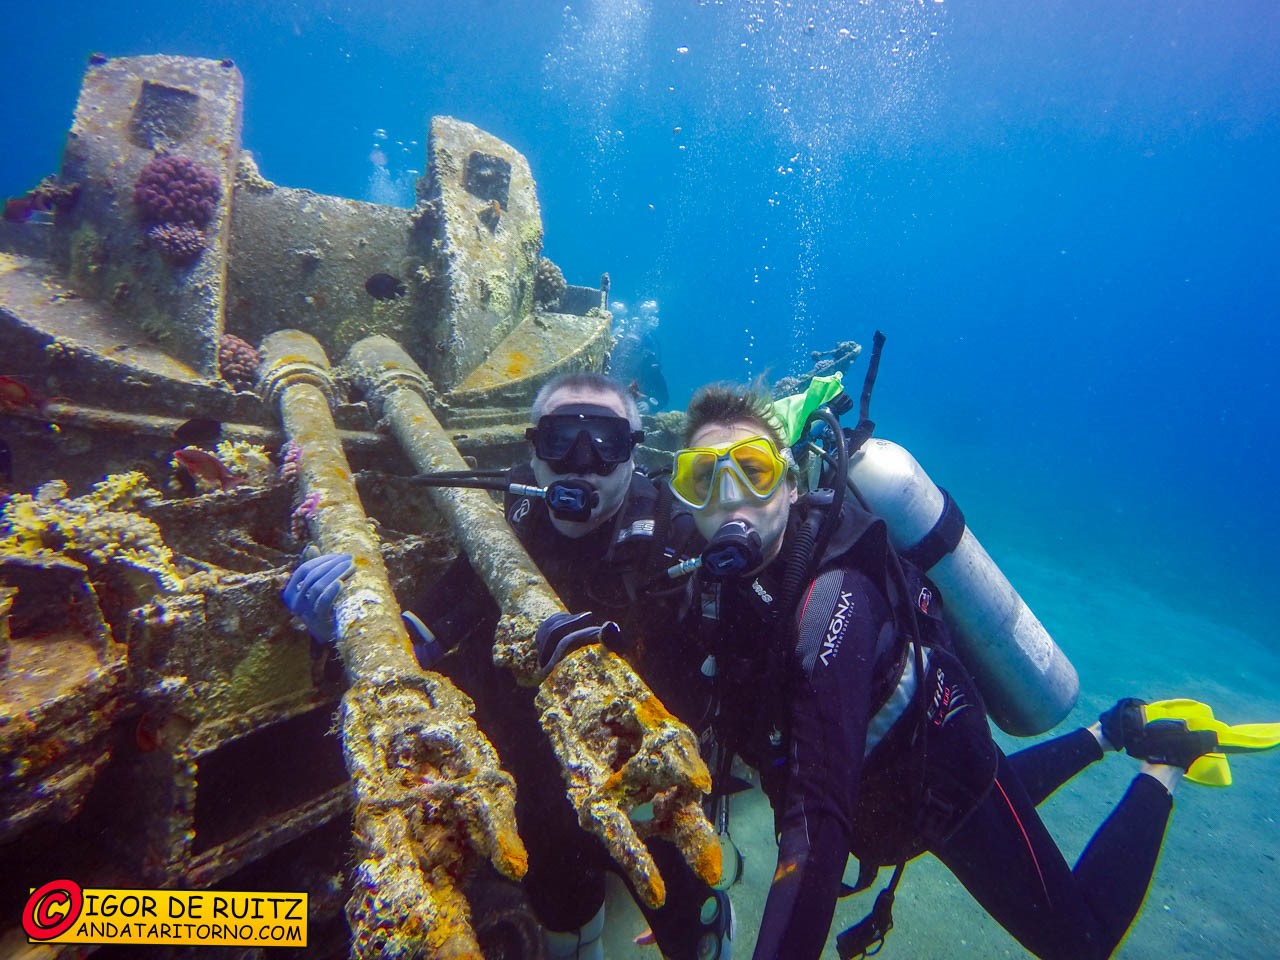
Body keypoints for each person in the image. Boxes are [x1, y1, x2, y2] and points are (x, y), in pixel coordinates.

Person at [659, 379, 1229, 960]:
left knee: (1082, 944)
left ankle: (1164, 761)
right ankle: (1105, 732)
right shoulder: (714, 588)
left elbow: (818, 816)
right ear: (686, 498)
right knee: (994, 810)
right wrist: (678, 896)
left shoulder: (834, 598)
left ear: (789, 484)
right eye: (704, 478)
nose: (730, 498)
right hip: (879, 797)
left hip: (947, 784)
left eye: (753, 471)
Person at [283, 372, 729, 960]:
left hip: (653, 777)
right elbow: (423, 636)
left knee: (692, 927)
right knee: (565, 921)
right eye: (560, 440)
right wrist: (336, 626)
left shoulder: (675, 535)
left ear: (633, 454)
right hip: (540, 785)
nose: (582, 465)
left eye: (605, 443)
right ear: (532, 449)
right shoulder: (510, 526)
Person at [607, 298, 669, 415]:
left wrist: (649, 405)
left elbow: (663, 396)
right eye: (626, 344)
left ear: (644, 352)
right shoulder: (610, 357)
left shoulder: (649, 367)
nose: (628, 351)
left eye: (634, 346)